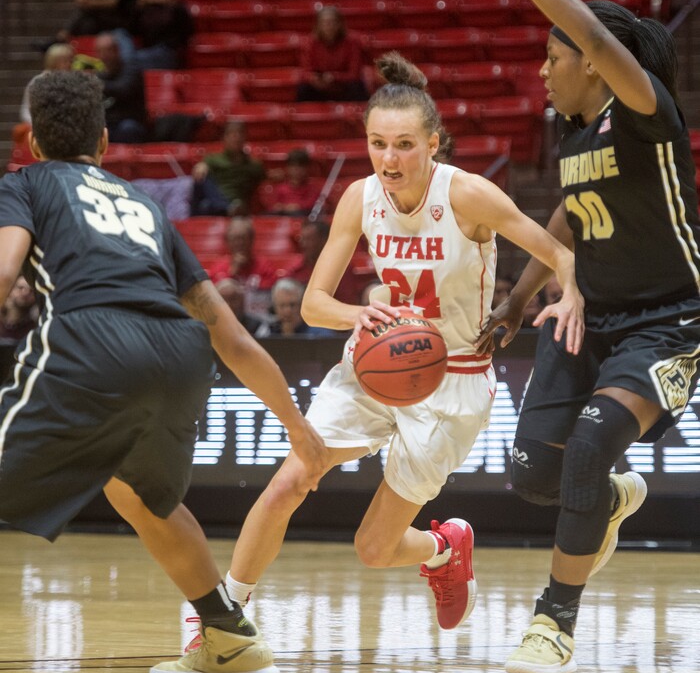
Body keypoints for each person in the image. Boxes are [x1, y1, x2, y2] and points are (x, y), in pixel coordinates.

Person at [224, 51, 585, 638]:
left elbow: (560, 252)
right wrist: (357, 312)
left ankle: (444, 548)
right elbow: (315, 303)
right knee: (294, 474)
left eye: (404, 145)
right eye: (377, 144)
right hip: (378, 361)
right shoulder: (359, 198)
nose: (389, 160)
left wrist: (560, 295)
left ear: (433, 143)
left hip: (454, 379)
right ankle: (223, 614)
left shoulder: (468, 195)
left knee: (372, 548)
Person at [0, 70, 327, 673]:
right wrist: (299, 430)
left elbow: (5, 268)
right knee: (141, 495)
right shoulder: (144, 206)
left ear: (34, 145)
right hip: (180, 356)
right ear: (102, 140)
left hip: (93, 340)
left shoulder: (25, 183)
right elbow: (230, 335)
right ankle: (228, 636)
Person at [476, 0, 700, 673]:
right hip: (591, 317)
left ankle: (553, 623)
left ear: (596, 66)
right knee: (535, 472)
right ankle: (609, 498)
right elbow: (571, 216)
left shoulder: (648, 113)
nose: (543, 68)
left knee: (594, 443)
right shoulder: (574, 139)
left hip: (672, 321)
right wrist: (515, 300)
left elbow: (597, 38)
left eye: (552, 54)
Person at [208, 216, 280, 320]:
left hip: (260, 322)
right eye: (234, 239)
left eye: (242, 238)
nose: (239, 243)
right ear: (227, 241)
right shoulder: (218, 268)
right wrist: (232, 273)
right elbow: (213, 300)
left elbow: (271, 296)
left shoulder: (265, 266)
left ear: (251, 240)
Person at [283, 218, 366, 306]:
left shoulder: (341, 269)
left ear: (324, 240)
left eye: (309, 239)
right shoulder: (297, 271)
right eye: (302, 239)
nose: (303, 244)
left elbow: (348, 303)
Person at [191, 120, 266, 216]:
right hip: (215, 202)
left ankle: (228, 208)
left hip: (239, 205)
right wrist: (201, 166)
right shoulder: (212, 159)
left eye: (240, 133)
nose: (236, 137)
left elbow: (265, 180)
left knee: (206, 205)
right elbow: (199, 173)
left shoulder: (254, 165)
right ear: (224, 138)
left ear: (245, 138)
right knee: (202, 183)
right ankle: (226, 207)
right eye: (232, 134)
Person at [296, 5, 369, 103]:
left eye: (333, 22)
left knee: (357, 86)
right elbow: (305, 72)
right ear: (318, 25)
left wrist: (334, 77)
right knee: (303, 89)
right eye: (325, 23)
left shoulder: (352, 42)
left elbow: (354, 74)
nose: (329, 26)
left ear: (340, 24)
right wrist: (314, 79)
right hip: (319, 86)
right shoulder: (309, 43)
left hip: (343, 85)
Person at [128, 0, 195, 71]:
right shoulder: (142, 8)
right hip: (147, 50)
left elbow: (188, 31)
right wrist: (137, 9)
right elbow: (131, 31)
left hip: (168, 52)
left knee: (128, 62)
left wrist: (174, 6)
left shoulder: (176, 6)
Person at [94, 31, 149, 144]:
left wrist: (96, 83)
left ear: (117, 50)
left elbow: (124, 89)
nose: (104, 56)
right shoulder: (100, 75)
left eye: (108, 51)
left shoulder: (131, 71)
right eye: (101, 51)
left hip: (129, 122)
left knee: (128, 129)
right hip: (108, 124)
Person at [255, 278, 334, 338]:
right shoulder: (266, 331)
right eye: (282, 306)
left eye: (292, 305)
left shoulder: (320, 333)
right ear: (274, 308)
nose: (287, 311)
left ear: (301, 305)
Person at [264, 148, 323, 216]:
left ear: (307, 168)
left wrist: (297, 206)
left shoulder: (313, 189)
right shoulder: (280, 188)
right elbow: (274, 206)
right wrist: (282, 207)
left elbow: (314, 206)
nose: (296, 169)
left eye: (300, 166)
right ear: (287, 167)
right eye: (293, 165)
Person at [0, 276, 38, 343]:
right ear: (11, 290)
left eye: (31, 291)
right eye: (20, 288)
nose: (25, 293)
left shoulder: (35, 329)